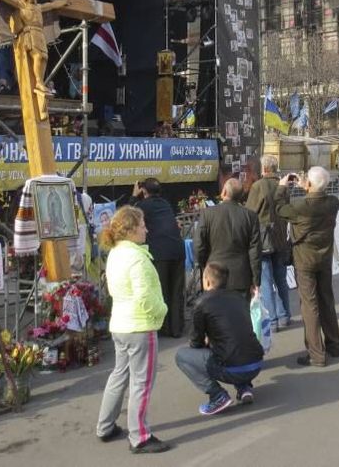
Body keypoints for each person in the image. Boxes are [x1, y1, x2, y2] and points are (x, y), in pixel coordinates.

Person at [95, 206, 170, 454]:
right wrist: (162, 311)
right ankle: (139, 436)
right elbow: (145, 297)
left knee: (119, 375)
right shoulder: (137, 257)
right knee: (141, 382)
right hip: (140, 326)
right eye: (142, 225)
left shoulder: (116, 253)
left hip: (120, 324)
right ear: (130, 230)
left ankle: (105, 426)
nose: (146, 229)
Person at [175, 262, 264, 415]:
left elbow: (195, 342)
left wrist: (208, 341)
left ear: (207, 281)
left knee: (182, 356)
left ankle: (217, 395)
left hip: (232, 367)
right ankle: (244, 387)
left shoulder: (202, 303)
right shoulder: (239, 298)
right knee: (236, 342)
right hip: (256, 362)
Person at [274, 166, 339, 367]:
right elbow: (318, 198)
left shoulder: (299, 207)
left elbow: (279, 208)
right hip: (325, 258)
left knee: (309, 306)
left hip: (304, 260)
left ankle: (316, 354)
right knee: (326, 300)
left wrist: (282, 187)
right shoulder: (333, 203)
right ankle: (334, 344)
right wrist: (309, 187)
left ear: (310, 184)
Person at [132, 178, 186, 338]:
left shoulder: (142, 206)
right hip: (177, 249)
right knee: (176, 291)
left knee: (161, 289)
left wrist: (134, 196)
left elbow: (128, 214)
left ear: (144, 191)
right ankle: (176, 329)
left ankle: (163, 328)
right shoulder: (165, 204)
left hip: (160, 253)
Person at [245, 155, 292, 330]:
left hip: (263, 239)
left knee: (265, 280)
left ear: (264, 169)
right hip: (280, 237)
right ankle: (285, 315)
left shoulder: (258, 186)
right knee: (281, 279)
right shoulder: (283, 186)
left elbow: (250, 213)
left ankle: (273, 319)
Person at [195, 179, 261, 298]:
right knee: (240, 314)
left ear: (224, 191)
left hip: (214, 276)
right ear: (241, 195)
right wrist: (256, 280)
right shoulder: (251, 216)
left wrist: (204, 265)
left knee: (216, 314)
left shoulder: (207, 214)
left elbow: (199, 245)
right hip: (241, 277)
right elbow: (255, 252)